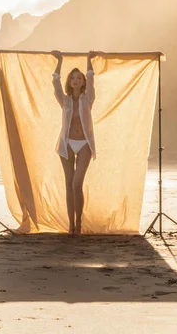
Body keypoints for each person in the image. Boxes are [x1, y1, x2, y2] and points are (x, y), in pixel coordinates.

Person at [51, 50, 97, 237]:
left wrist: (89, 60)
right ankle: (70, 225)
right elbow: (55, 81)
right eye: (73, 78)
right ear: (69, 82)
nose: (76, 80)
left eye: (79, 78)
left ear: (83, 82)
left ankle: (79, 223)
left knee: (77, 184)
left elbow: (92, 78)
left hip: (84, 143)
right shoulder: (65, 100)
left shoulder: (88, 99)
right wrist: (60, 61)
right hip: (66, 144)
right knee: (69, 185)